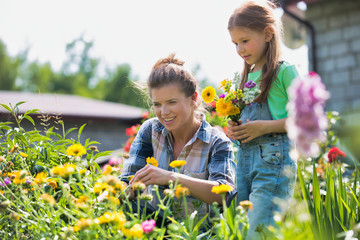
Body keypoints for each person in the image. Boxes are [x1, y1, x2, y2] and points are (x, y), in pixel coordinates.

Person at [120, 53, 236, 227]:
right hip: (154, 229)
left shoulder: (217, 142)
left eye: (172, 102)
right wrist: (114, 192)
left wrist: (171, 177)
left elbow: (224, 194)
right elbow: (127, 180)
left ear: (193, 98)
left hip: (197, 234)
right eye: (157, 104)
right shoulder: (150, 130)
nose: (164, 112)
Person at [226, 1, 299, 239]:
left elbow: (304, 118)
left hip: (273, 163)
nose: (239, 49)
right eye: (235, 43)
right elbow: (243, 120)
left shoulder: (284, 71)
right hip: (245, 164)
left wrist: (262, 128)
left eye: (245, 41)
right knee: (246, 230)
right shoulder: (244, 78)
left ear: (268, 34)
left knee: (259, 231)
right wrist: (234, 127)